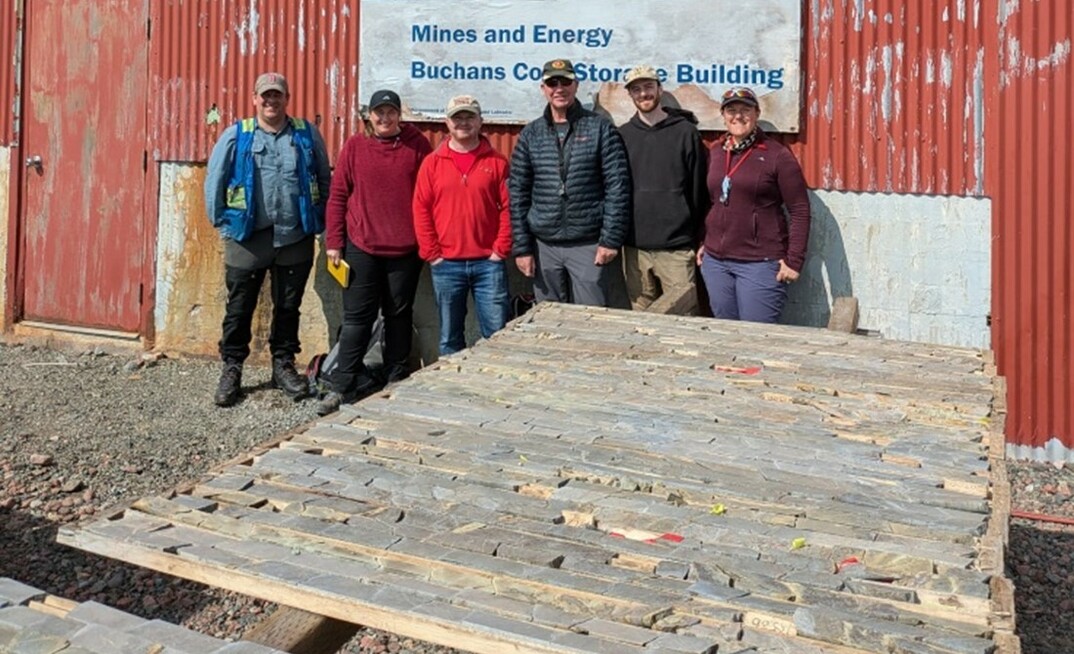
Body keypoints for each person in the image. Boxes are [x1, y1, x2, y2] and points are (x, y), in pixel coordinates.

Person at [204, 72, 331, 407]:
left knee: (289, 307)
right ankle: (232, 367)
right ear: (254, 98)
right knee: (239, 307)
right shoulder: (238, 134)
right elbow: (215, 178)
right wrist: (221, 222)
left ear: (286, 98)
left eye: (277, 95)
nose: (271, 101)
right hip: (248, 238)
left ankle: (283, 365)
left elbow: (323, 176)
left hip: (295, 237)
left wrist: (322, 220)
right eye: (265, 96)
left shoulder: (305, 135)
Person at [317, 90, 432, 415]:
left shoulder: (417, 145)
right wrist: (334, 242)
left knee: (398, 314)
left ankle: (395, 376)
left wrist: (428, 243)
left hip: (405, 249)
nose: (385, 118)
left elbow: (428, 195)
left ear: (400, 114)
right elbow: (338, 195)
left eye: (391, 112)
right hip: (361, 247)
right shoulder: (355, 146)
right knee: (357, 318)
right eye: (379, 113)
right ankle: (342, 384)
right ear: (369, 116)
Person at [508, 58, 630, 306]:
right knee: (548, 321)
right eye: (552, 82)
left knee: (591, 319)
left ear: (575, 85)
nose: (559, 88)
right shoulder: (531, 134)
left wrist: (610, 240)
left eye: (565, 81)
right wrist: (522, 248)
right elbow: (518, 193)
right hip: (544, 247)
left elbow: (618, 187)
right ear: (543, 89)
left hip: (588, 245)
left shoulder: (600, 129)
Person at [698, 87, 811, 323]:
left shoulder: (777, 155)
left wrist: (794, 260)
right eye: (731, 110)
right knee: (725, 333)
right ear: (723, 115)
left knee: (756, 337)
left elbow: (800, 210)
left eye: (745, 110)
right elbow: (711, 201)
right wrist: (703, 242)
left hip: (759, 264)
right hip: (716, 263)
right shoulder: (716, 151)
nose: (738, 116)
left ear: (757, 113)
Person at [412, 95, 512, 355]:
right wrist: (432, 254)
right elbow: (421, 209)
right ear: (447, 123)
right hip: (446, 265)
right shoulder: (432, 164)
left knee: (497, 336)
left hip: (488, 265)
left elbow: (510, 209)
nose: (463, 123)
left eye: (470, 117)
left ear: (481, 122)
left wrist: (500, 250)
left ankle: (493, 388)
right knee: (449, 338)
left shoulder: (497, 162)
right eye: (458, 117)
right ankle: (451, 390)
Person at [618, 65, 709, 314]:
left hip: (677, 249)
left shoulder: (685, 133)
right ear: (630, 95)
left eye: (648, 86)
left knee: (683, 318)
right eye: (636, 89)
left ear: (660, 88)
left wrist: (697, 235)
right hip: (635, 249)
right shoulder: (623, 135)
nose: (643, 94)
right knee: (641, 319)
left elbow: (699, 189)